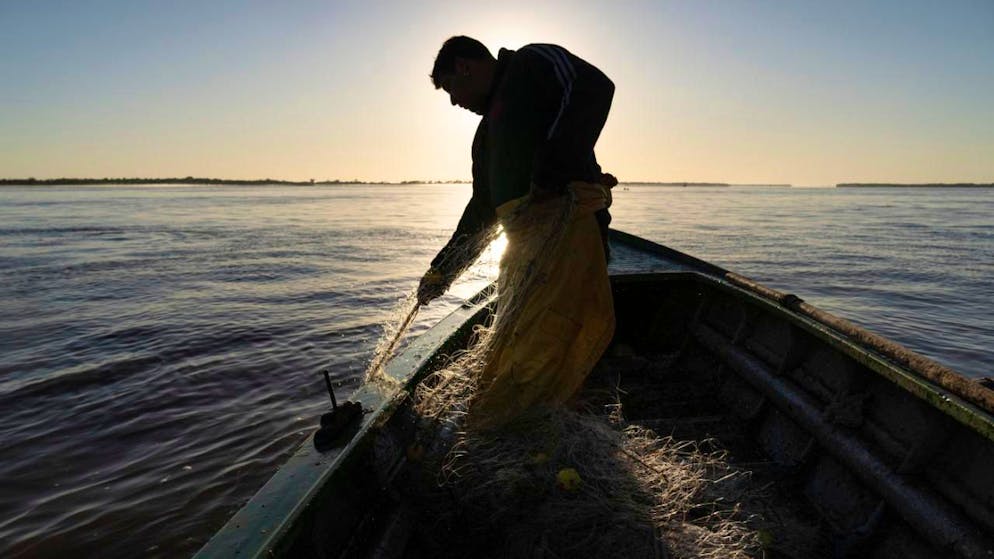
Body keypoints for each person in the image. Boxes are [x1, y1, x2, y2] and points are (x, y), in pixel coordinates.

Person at [418, 36, 617, 427]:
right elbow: (481, 210)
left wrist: (551, 173)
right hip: (526, 256)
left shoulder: (530, 63)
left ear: (465, 66)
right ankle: (533, 420)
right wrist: (442, 269)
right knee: (521, 341)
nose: (455, 102)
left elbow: (595, 88)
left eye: (452, 90)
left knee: (553, 334)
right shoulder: (485, 137)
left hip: (568, 236)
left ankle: (552, 419)